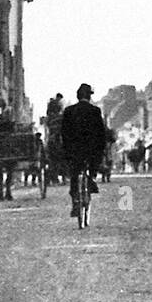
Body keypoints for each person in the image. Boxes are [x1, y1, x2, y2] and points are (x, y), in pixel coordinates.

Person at [61, 83, 108, 219]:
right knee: (94, 163)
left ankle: (75, 201)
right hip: (90, 149)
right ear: (89, 96)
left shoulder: (69, 111)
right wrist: (101, 148)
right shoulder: (95, 111)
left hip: (74, 149)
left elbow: (64, 132)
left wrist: (66, 148)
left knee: (74, 174)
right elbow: (101, 132)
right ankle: (92, 178)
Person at [0, 110, 17, 201]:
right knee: (1, 175)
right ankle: (2, 192)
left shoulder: (9, 125)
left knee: (6, 174)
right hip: (0, 152)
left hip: (8, 152)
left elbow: (14, 135)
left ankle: (6, 192)